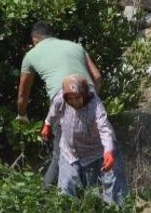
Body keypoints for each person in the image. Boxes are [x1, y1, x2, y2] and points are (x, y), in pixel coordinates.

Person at [17, 22, 103, 186]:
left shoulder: (31, 55)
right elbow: (97, 78)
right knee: (93, 152)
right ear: (52, 35)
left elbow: (23, 94)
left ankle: (45, 197)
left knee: (60, 153)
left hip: (64, 98)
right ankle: (94, 198)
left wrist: (21, 114)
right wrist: (87, 101)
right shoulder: (76, 47)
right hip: (90, 96)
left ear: (35, 39)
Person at [41, 74, 127, 204]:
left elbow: (105, 128)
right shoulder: (61, 98)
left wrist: (108, 151)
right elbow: (53, 111)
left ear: (84, 94)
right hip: (69, 153)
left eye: (77, 97)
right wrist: (47, 125)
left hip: (97, 153)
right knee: (65, 191)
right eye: (70, 98)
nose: (74, 102)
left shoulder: (95, 105)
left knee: (111, 189)